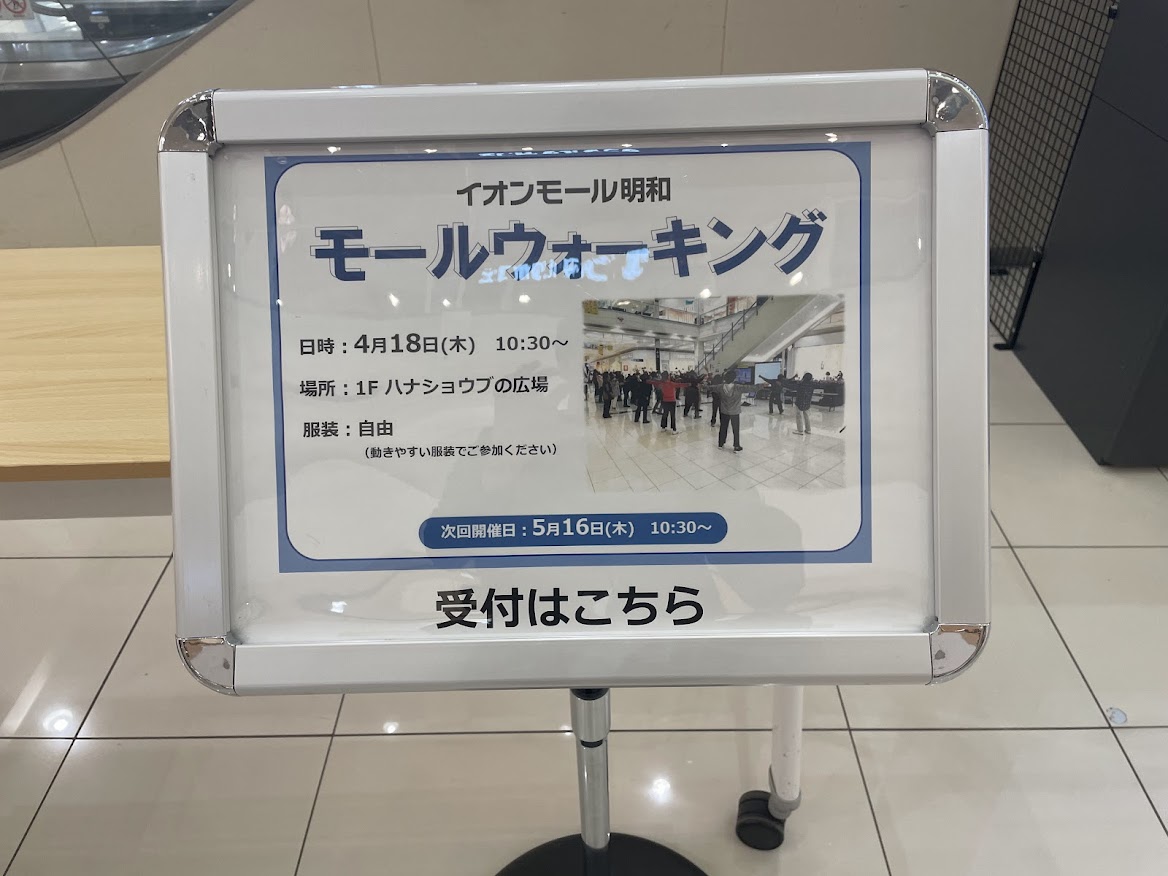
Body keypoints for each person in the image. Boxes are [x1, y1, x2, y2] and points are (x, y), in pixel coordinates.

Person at [712, 369, 744, 450]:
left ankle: (720, 444)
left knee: (723, 427)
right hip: (735, 411)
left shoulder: (720, 387)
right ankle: (736, 446)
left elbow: (710, 387)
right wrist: (761, 385)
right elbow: (752, 388)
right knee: (735, 429)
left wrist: (702, 386)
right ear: (734, 378)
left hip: (724, 411)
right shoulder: (739, 387)